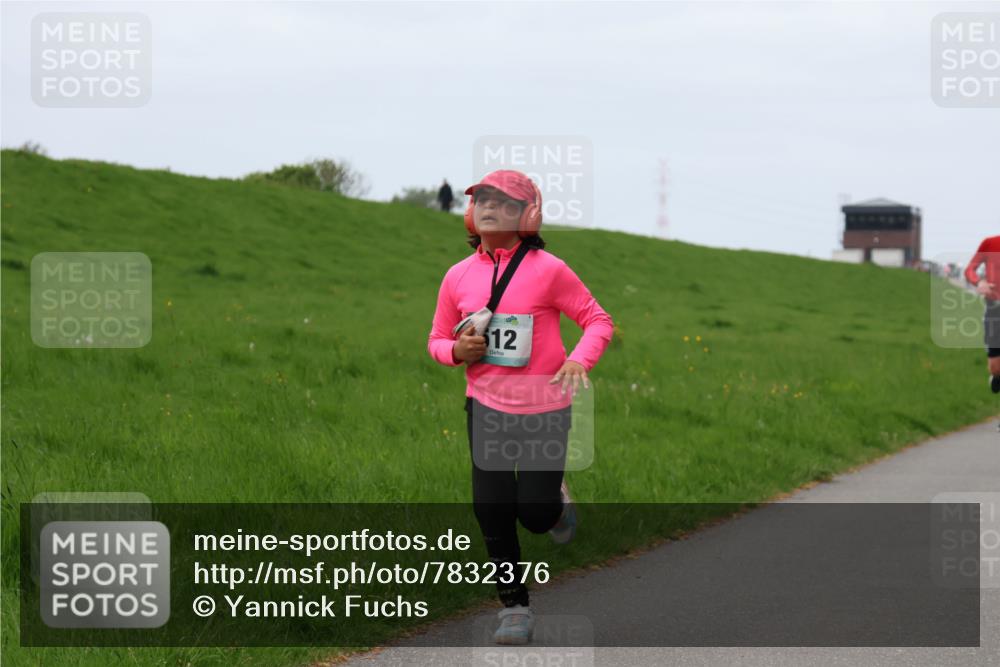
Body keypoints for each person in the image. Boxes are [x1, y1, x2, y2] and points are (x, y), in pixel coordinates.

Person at [426, 169, 614, 645]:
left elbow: (597, 320)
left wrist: (578, 359)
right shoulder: (457, 275)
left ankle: (556, 507)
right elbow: (436, 339)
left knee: (532, 512)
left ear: (528, 216)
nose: (490, 208)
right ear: (470, 212)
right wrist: (454, 352)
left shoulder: (549, 269)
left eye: (506, 203)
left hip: (544, 408)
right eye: (483, 200)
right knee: (490, 507)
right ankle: (514, 607)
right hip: (484, 405)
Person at [964, 234, 1000, 393]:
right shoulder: (990, 243)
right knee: (995, 367)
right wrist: (980, 283)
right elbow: (969, 270)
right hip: (995, 310)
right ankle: (997, 376)